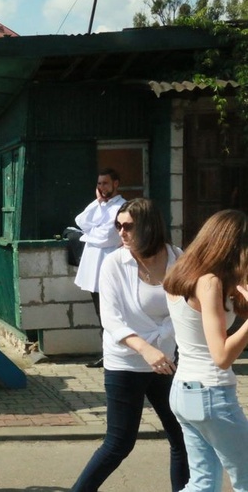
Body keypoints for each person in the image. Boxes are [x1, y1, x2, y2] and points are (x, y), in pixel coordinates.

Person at [72, 199, 188, 492]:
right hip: (126, 360)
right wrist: (145, 349)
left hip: (167, 361)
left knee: (182, 437)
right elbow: (111, 319)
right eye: (118, 226)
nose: (121, 232)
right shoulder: (114, 262)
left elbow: (189, 307)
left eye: (128, 226)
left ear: (149, 227)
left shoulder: (177, 258)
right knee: (119, 443)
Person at [164, 209, 248, 491]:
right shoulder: (209, 283)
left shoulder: (182, 274)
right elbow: (221, 356)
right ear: (233, 246)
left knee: (203, 483)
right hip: (211, 393)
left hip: (184, 391)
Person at [74, 168, 126, 368]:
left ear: (116, 184)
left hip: (108, 266)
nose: (102, 187)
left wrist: (88, 234)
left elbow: (108, 237)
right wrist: (97, 202)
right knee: (100, 314)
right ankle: (106, 353)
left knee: (111, 312)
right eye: (99, 184)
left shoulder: (121, 206)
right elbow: (80, 222)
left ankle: (113, 354)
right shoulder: (100, 205)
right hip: (92, 269)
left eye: (105, 183)